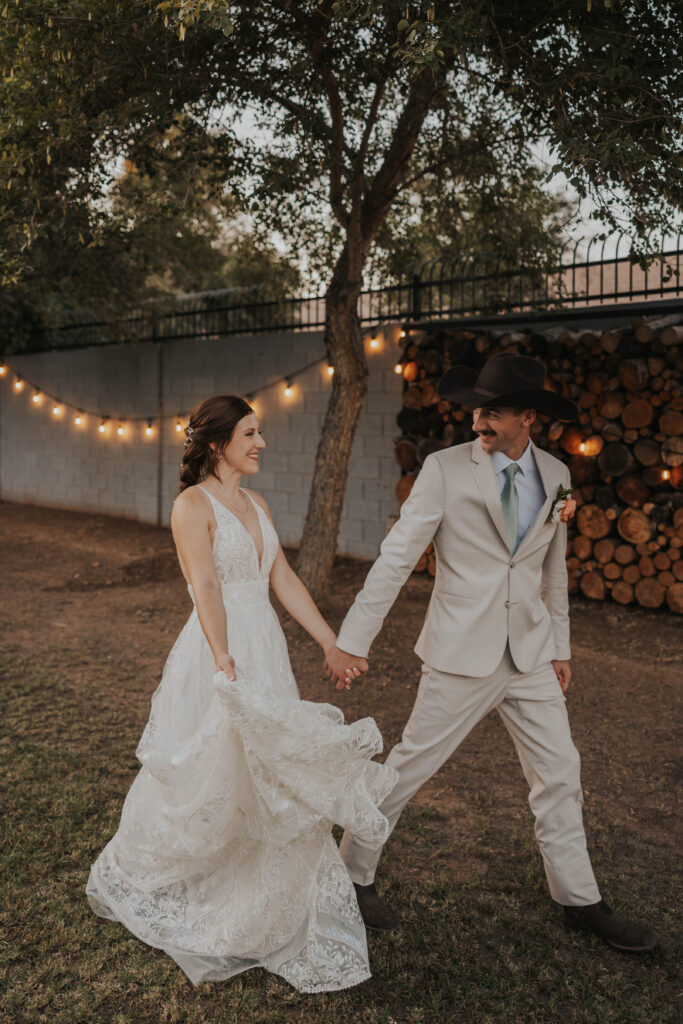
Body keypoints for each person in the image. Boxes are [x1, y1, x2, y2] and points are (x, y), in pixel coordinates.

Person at [325, 351, 658, 953]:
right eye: (477, 409)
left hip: (530, 655)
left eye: (495, 412)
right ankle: (351, 872)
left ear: (528, 416)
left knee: (561, 772)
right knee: (408, 769)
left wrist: (559, 645)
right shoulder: (443, 468)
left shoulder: (558, 474)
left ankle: (580, 899)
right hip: (460, 652)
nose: (479, 421)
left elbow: (552, 568)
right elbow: (399, 554)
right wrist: (354, 640)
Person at [86, 395, 397, 993]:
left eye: (259, 433)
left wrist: (332, 644)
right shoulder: (190, 505)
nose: (260, 444)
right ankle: (188, 875)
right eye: (250, 434)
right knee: (214, 767)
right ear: (216, 442)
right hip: (218, 648)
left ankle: (261, 890)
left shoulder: (254, 502)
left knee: (266, 771)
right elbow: (204, 581)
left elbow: (281, 579)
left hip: (266, 648)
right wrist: (223, 655)